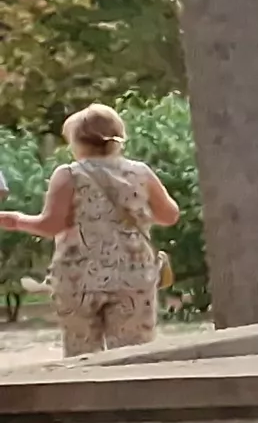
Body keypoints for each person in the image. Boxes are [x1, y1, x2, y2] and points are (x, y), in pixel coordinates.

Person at [6, 105, 179, 357]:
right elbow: (169, 215)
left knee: (82, 356)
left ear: (76, 141)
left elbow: (51, 225)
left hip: (79, 279)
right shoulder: (140, 172)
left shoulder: (68, 175)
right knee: (135, 357)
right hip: (133, 275)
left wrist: (16, 220)